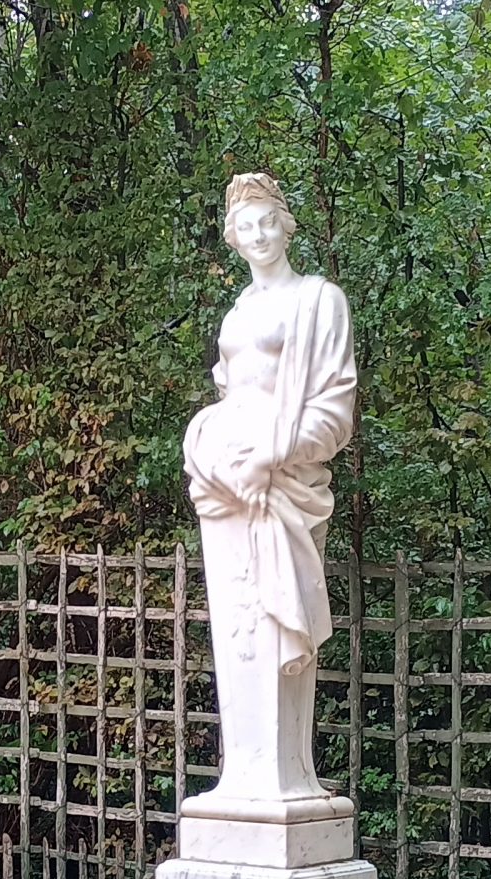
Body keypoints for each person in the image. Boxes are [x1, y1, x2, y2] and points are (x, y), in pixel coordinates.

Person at [181, 173, 358, 804]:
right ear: (232, 238)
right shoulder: (236, 312)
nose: (257, 234)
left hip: (284, 482)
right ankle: (243, 778)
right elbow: (230, 393)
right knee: (237, 628)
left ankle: (283, 780)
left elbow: (335, 410)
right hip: (226, 481)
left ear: (287, 225)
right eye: (244, 226)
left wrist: (272, 456)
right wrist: (217, 449)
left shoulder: (318, 301)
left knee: (279, 625)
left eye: (267, 221)